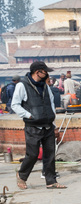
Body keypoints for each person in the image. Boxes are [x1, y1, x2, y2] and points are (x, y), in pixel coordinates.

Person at [12, 61, 67, 190]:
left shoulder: (46, 86)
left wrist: (54, 124)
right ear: (38, 72)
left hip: (47, 125)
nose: (47, 74)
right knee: (33, 154)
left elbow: (51, 105)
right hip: (33, 126)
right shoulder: (22, 85)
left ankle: (51, 181)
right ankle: (22, 175)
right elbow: (15, 104)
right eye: (45, 71)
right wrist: (29, 115)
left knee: (50, 154)